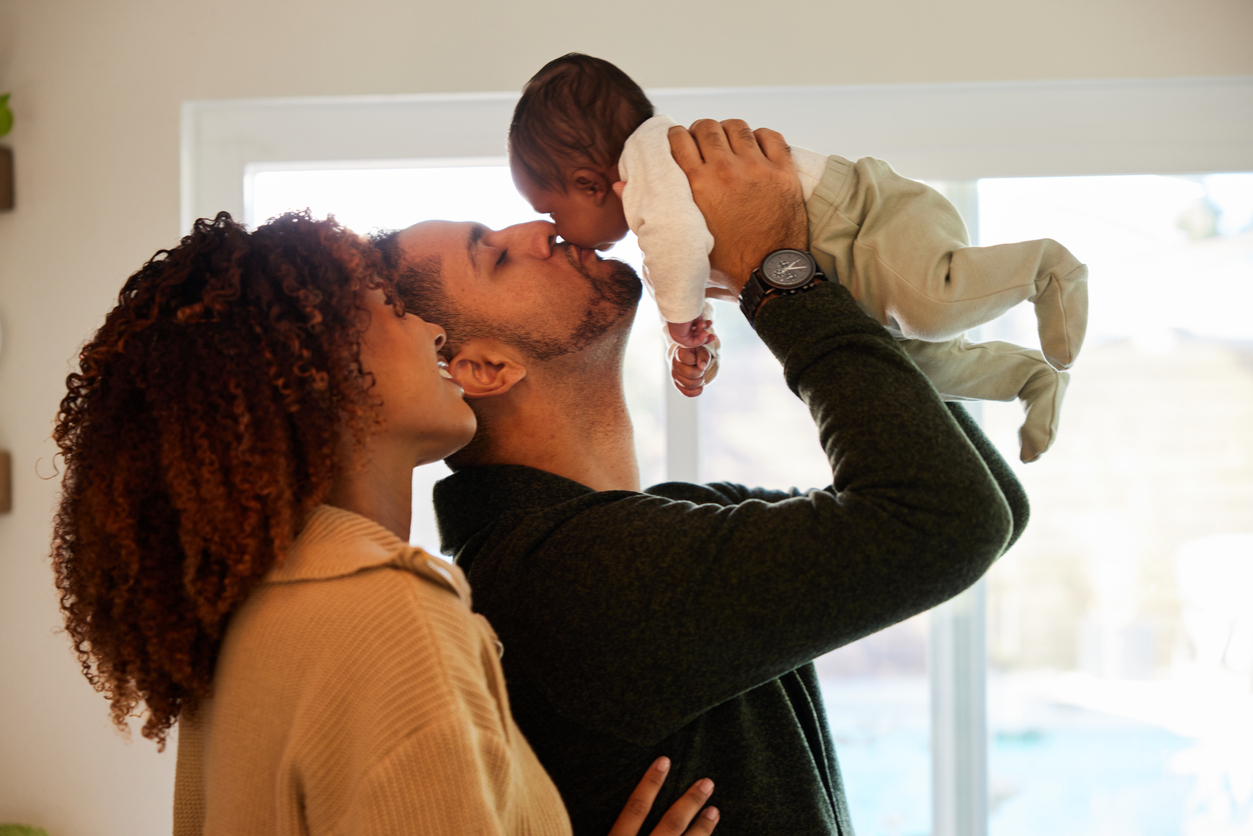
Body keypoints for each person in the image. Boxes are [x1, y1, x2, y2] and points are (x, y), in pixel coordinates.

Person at [379, 119, 1031, 835]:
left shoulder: (657, 526)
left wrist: (834, 274)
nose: (536, 229)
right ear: (481, 368)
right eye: (494, 257)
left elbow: (987, 503)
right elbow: (945, 517)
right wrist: (778, 274)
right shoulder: (566, 575)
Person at [49, 211, 721, 835]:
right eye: (394, 310)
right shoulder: (392, 618)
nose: (432, 331)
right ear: (321, 371)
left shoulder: (244, 618)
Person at [508, 53, 1088, 462]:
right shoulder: (654, 214)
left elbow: (681, 248)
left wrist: (678, 317)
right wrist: (694, 342)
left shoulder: (647, 163)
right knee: (922, 370)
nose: (553, 231)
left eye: (550, 212)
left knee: (930, 309)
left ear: (589, 183)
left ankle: (1045, 268)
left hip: (864, 218)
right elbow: (726, 267)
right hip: (843, 267)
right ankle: (1029, 378)